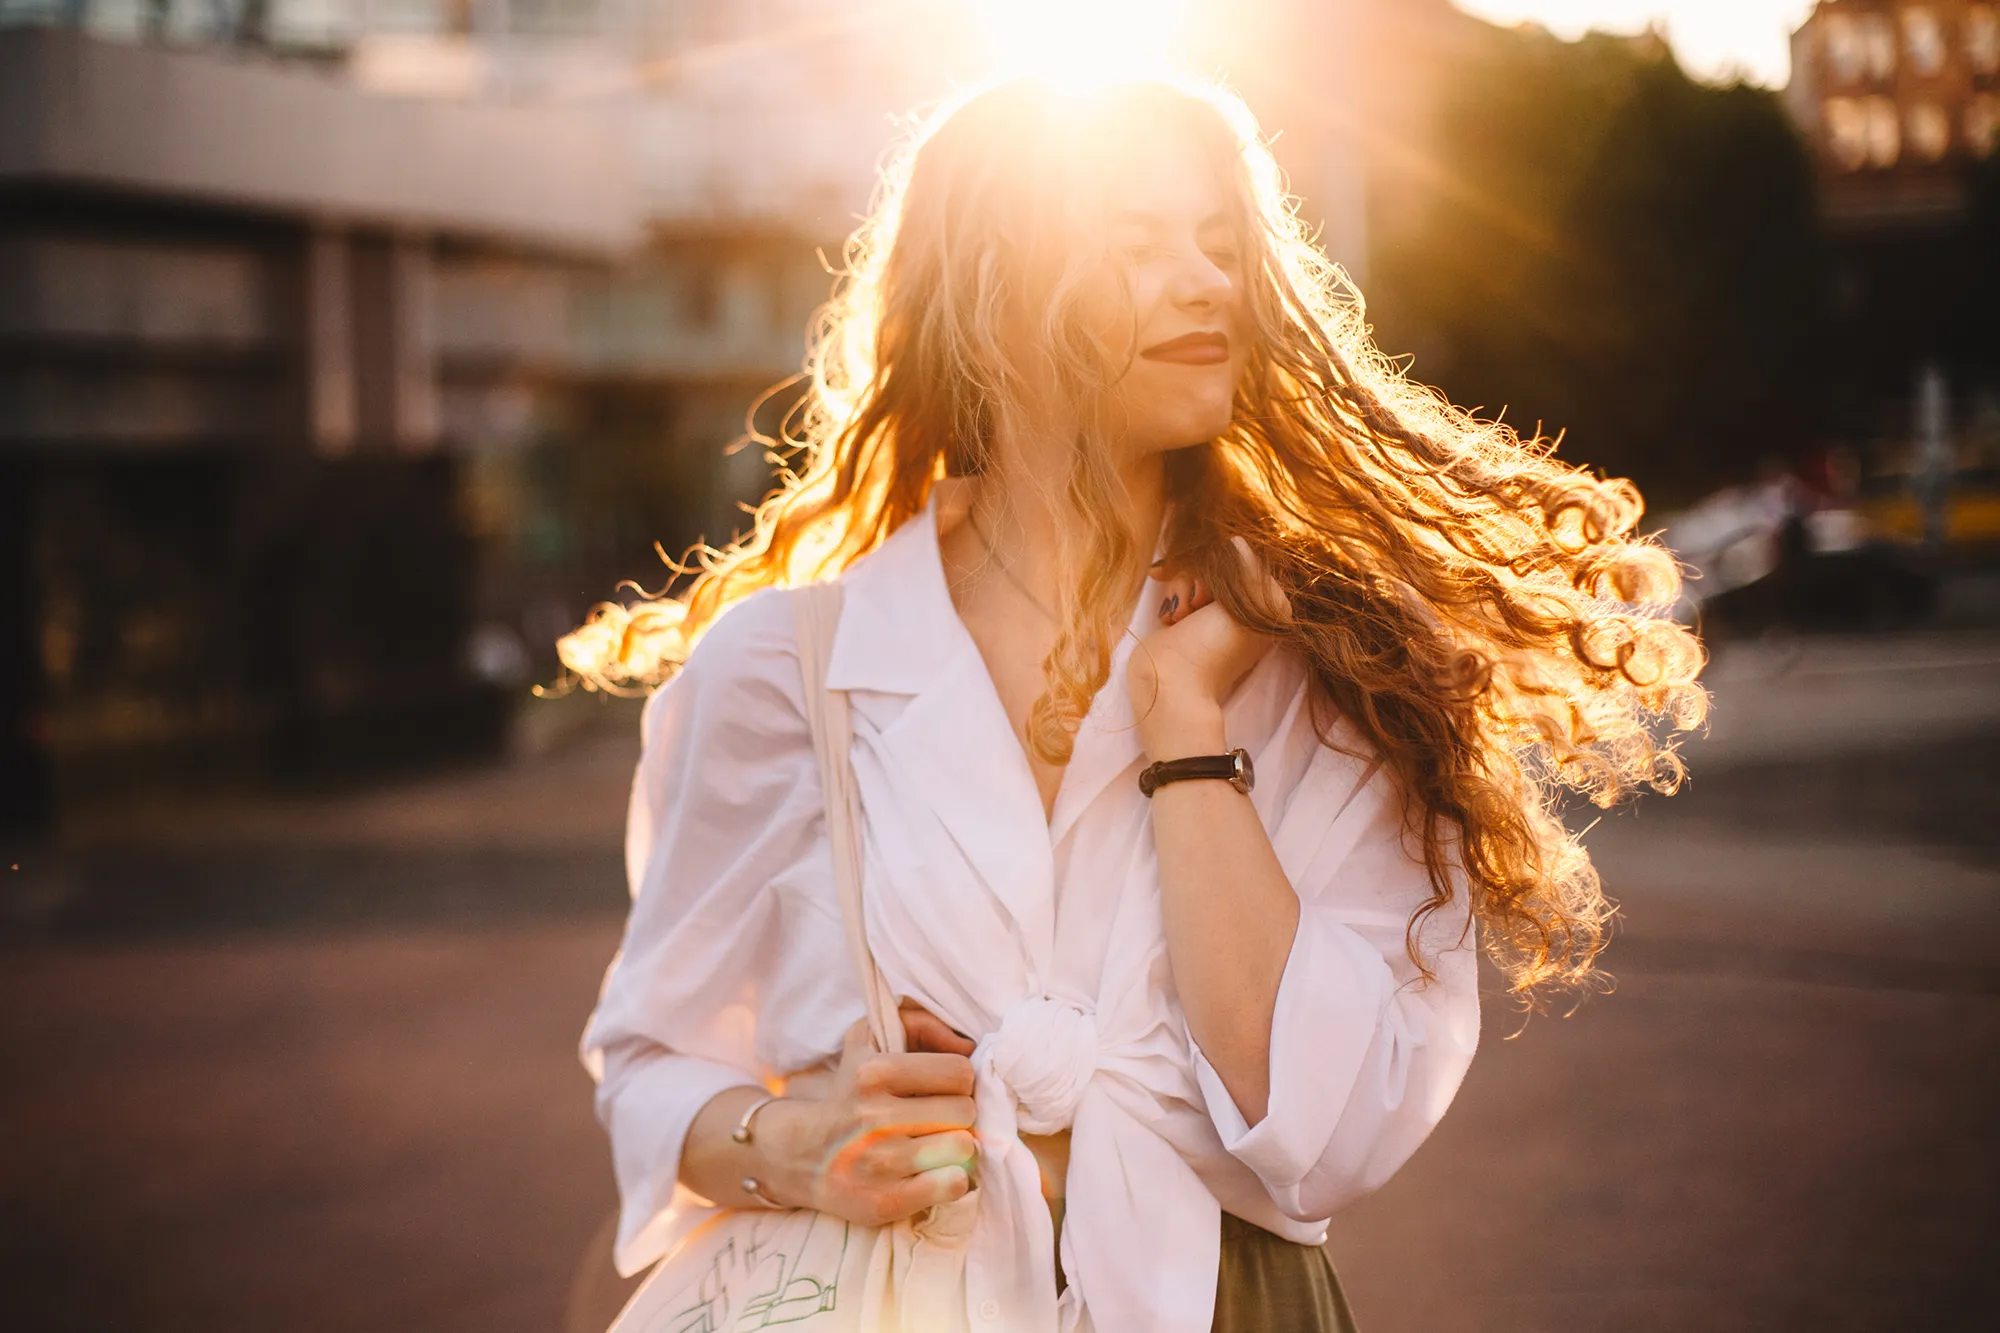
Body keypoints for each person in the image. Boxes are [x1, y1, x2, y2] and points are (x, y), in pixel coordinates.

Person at [569, 75, 1704, 1332]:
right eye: (1136, 244)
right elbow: (652, 1061)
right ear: (992, 292)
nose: (1206, 280)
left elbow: (1325, 1137)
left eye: (1219, 247)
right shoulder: (780, 670)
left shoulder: (1333, 663)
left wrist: (1182, 724)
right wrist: (792, 1143)